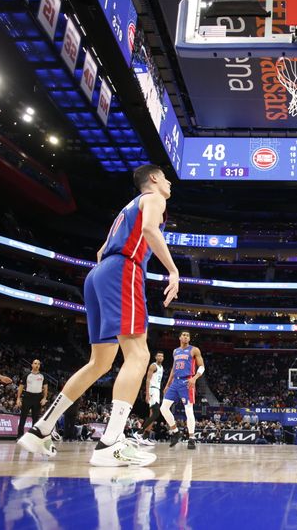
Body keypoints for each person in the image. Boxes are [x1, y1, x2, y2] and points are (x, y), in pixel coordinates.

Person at [18, 164, 180, 467]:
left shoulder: (125, 210)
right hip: (123, 270)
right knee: (138, 355)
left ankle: (42, 429)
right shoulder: (154, 197)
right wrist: (173, 270)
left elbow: (101, 250)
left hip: (98, 274)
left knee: (100, 362)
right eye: (166, 178)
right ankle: (111, 443)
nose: (170, 183)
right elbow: (149, 230)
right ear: (154, 179)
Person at [160, 332, 205, 449]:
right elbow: (173, 369)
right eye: (183, 335)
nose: (186, 337)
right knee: (163, 408)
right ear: (180, 337)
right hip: (175, 382)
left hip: (187, 381)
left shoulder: (194, 350)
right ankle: (175, 431)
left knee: (188, 410)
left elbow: (202, 366)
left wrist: (195, 378)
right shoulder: (175, 351)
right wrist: (167, 384)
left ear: (189, 338)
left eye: (188, 335)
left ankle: (191, 438)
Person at [131, 351, 165, 446]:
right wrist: (147, 393)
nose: (160, 357)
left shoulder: (161, 368)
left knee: (152, 415)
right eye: (158, 355)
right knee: (156, 413)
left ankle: (145, 437)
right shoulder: (153, 366)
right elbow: (148, 380)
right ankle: (139, 432)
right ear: (155, 357)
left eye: (162, 356)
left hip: (157, 390)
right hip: (152, 390)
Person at [16, 359, 48, 438]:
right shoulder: (26, 375)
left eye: (38, 364)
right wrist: (18, 398)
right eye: (35, 363)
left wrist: (44, 398)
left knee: (35, 418)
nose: (37, 365)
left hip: (38, 398)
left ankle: (34, 436)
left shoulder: (43, 376)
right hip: (27, 396)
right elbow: (21, 387)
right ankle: (20, 435)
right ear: (32, 365)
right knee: (23, 417)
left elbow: (45, 388)